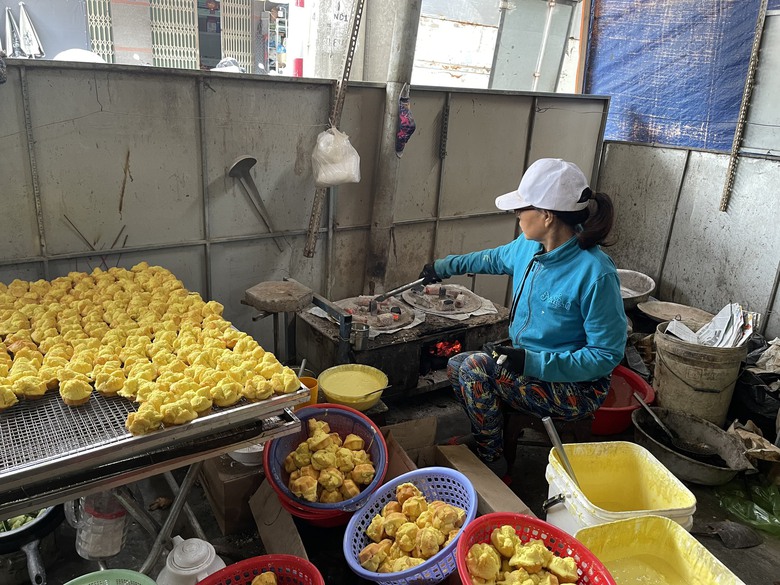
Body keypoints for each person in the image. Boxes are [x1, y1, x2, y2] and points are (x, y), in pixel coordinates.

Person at [419, 158, 627, 477]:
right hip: (529, 365)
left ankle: (493, 460)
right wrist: (442, 267)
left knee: (475, 370)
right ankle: (492, 435)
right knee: (456, 365)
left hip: (576, 388)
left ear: (546, 215)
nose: (517, 214)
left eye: (522, 207)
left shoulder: (595, 273)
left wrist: (533, 363)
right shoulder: (528, 248)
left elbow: (606, 355)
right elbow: (490, 258)